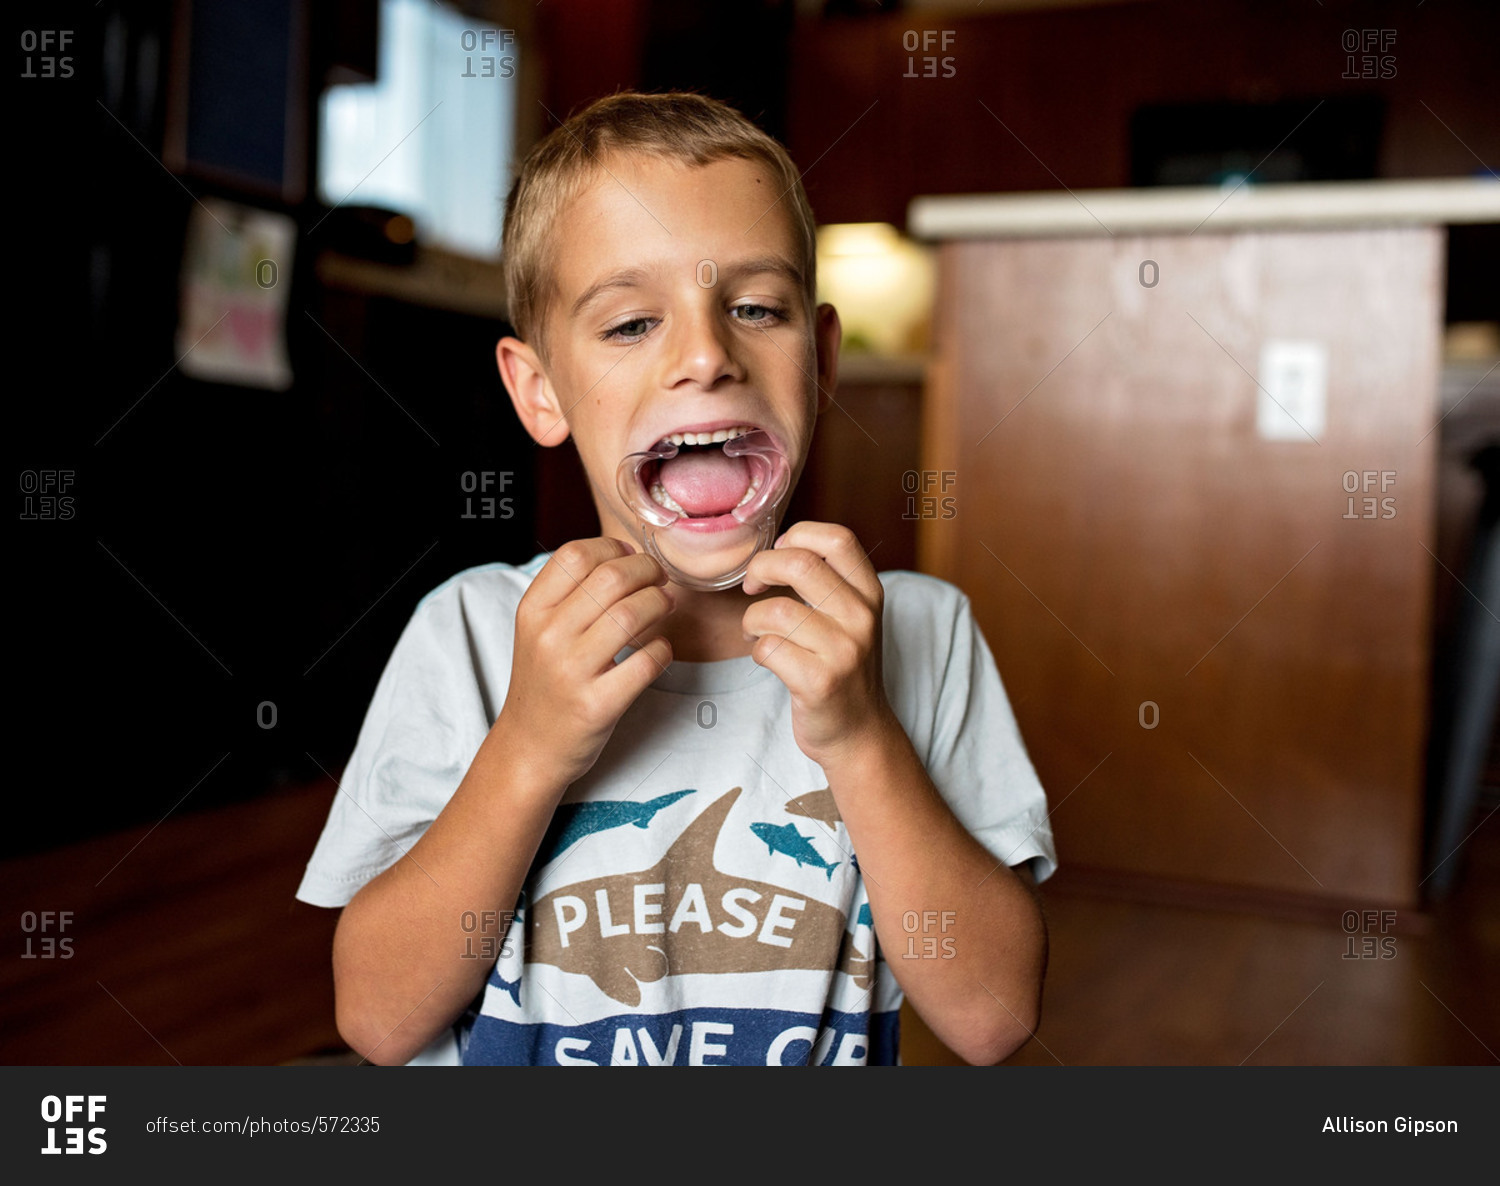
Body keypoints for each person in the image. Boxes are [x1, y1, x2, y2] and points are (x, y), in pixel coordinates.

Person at [296, 91, 1055, 1066]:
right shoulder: (473, 634)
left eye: (754, 308)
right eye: (628, 325)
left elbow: (994, 1016)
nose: (705, 355)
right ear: (541, 390)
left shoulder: (921, 633)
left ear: (821, 362)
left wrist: (860, 734)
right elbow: (378, 1016)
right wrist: (527, 747)